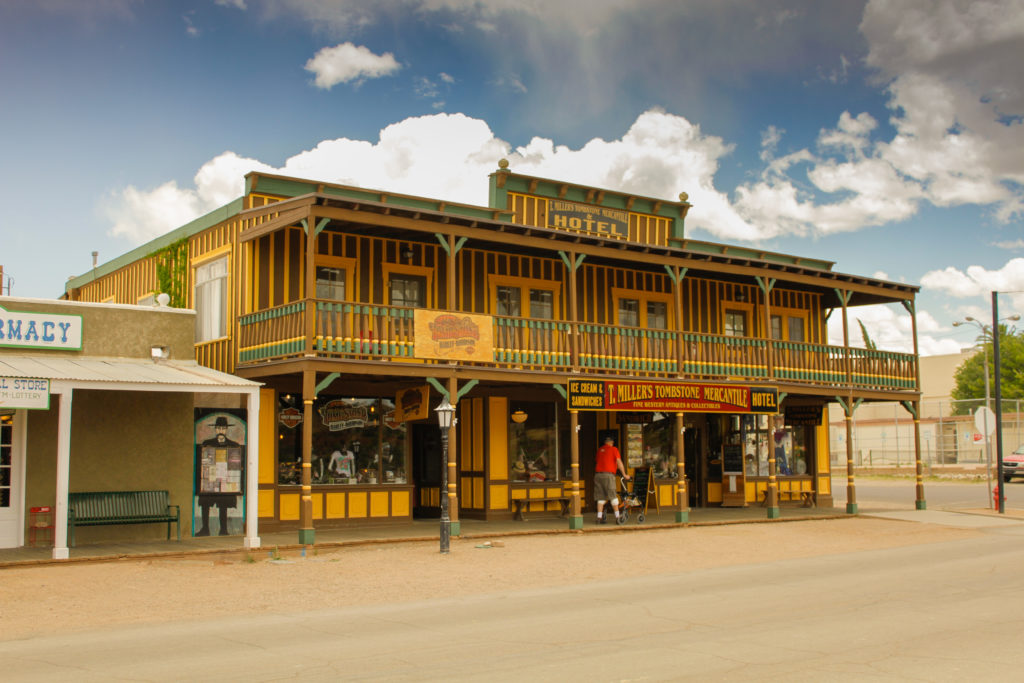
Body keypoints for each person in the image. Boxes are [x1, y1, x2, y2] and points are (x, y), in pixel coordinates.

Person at [594, 435, 630, 525]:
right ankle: (618, 517)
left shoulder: (600, 450)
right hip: (608, 476)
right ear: (611, 442)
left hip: (598, 476)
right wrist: (624, 474)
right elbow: (619, 462)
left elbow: (598, 461)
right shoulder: (614, 449)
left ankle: (599, 517)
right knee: (613, 496)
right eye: (612, 442)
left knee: (600, 497)